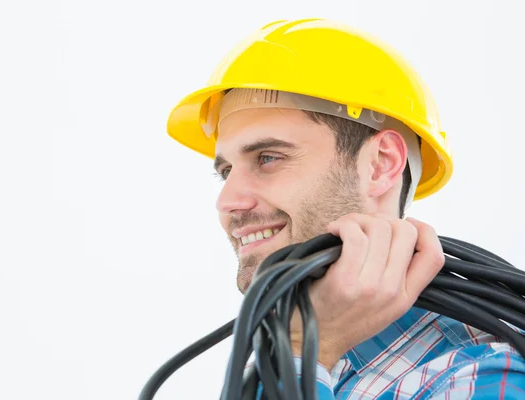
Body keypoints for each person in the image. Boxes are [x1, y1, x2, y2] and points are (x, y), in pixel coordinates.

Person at [165, 18, 525, 398]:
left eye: (268, 158)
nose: (227, 202)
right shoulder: (279, 348)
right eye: (226, 171)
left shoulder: (482, 376)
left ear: (380, 164)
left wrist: (308, 351)